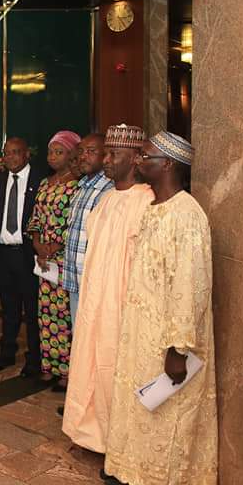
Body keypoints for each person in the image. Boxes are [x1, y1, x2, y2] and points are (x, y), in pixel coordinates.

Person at [103, 132, 217, 485]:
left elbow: (190, 287)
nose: (138, 160)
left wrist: (178, 349)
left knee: (168, 415)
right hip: (141, 333)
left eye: (146, 156)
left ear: (167, 164)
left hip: (168, 342)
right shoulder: (154, 209)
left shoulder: (187, 215)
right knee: (141, 408)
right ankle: (132, 471)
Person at [62, 124, 153, 451]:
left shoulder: (147, 202)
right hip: (94, 298)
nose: (108, 160)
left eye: (115, 154)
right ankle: (94, 434)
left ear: (136, 159)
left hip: (122, 304)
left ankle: (120, 444)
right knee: (92, 365)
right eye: (109, 153)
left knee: (116, 370)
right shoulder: (107, 199)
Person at [26, 130, 81, 390]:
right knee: (45, 314)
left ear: (72, 155)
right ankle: (49, 366)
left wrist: (53, 246)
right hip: (43, 260)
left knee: (65, 315)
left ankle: (69, 372)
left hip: (64, 259)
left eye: (59, 152)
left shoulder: (78, 185)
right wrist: (38, 243)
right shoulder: (46, 183)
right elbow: (35, 216)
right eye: (50, 152)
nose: (53, 157)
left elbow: (76, 224)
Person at [0, 137, 46, 375]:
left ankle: (33, 359)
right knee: (9, 307)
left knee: (32, 310)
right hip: (4, 252)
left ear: (26, 154)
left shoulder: (40, 180)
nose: (10, 157)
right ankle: (7, 353)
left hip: (28, 254)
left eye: (15, 152)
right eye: (6, 153)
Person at [61, 133, 114, 326]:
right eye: (81, 151)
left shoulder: (110, 190)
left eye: (91, 152)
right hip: (76, 278)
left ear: (106, 155)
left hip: (96, 283)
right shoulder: (81, 187)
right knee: (80, 341)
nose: (83, 156)